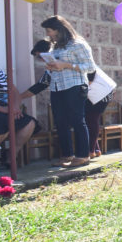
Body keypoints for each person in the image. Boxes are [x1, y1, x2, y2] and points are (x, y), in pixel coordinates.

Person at [40, 16, 96, 168]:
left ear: (59, 29)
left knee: (77, 120)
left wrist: (66, 64)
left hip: (75, 85)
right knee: (60, 121)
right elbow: (58, 64)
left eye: (50, 30)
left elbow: (90, 67)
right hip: (57, 86)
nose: (48, 34)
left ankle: (83, 155)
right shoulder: (55, 46)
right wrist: (52, 66)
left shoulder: (78, 44)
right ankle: (67, 155)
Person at [0, 43, 38, 165]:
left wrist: (15, 107)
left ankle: (11, 155)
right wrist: (4, 110)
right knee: (5, 122)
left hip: (8, 110)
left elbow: (14, 91)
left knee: (29, 122)